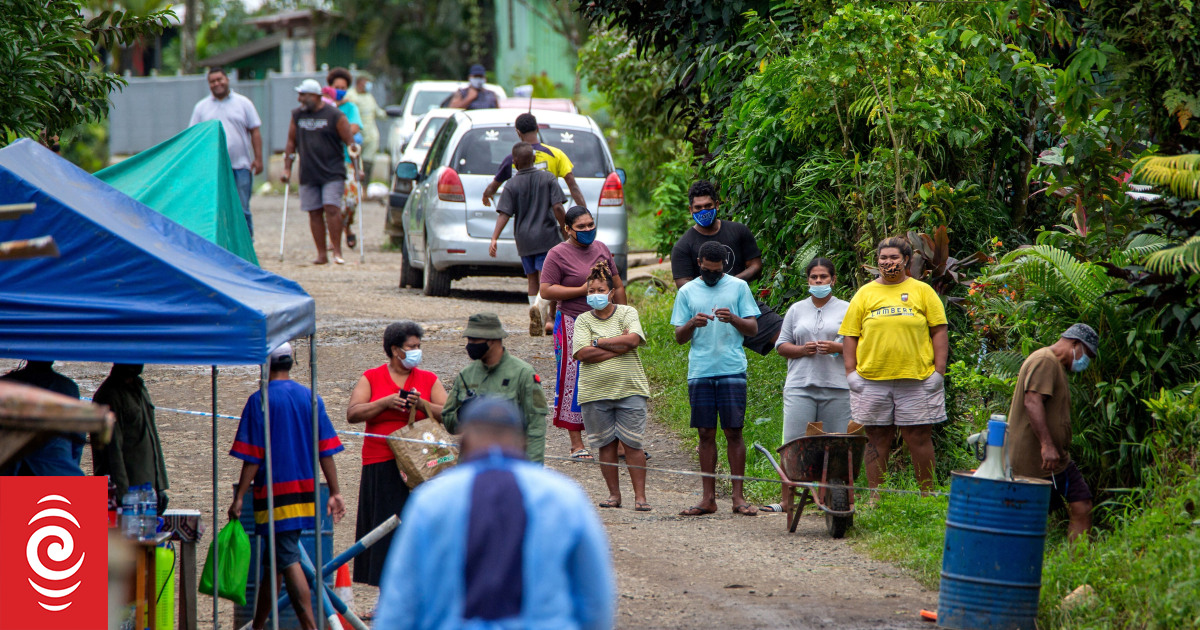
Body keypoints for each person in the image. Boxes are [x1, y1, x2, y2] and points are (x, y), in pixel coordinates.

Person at [373, 396, 614, 630]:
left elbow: (402, 596)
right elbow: (595, 597)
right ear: (524, 442)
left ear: (464, 444)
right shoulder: (564, 497)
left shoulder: (433, 500)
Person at [228, 343, 346, 630]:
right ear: (291, 362)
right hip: (304, 492)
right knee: (275, 560)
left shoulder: (260, 401)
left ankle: (309, 625)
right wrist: (335, 491)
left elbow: (253, 457)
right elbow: (325, 449)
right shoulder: (310, 397)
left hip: (273, 495)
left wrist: (240, 496)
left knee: (288, 556)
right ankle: (258, 625)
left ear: (265, 364)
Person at [839, 236, 948, 493]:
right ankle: (878, 496)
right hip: (871, 379)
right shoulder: (865, 293)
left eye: (894, 258)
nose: (888, 262)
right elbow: (850, 335)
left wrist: (939, 372)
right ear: (877, 260)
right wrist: (850, 373)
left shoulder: (923, 291)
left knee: (918, 437)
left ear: (906, 259)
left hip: (917, 378)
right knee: (876, 437)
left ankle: (927, 494)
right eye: (883, 258)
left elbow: (939, 331)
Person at [346, 321, 447, 595]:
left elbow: (451, 415)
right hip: (381, 461)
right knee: (385, 528)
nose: (416, 351)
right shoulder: (372, 377)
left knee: (421, 527)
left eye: (418, 346)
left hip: (423, 464)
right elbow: (353, 413)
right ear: (394, 350)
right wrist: (385, 403)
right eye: (411, 347)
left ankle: (421, 595)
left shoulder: (428, 379)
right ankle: (387, 598)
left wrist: (423, 404)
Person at [671, 241, 761, 516]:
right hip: (701, 370)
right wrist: (691, 324)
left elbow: (753, 328)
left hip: (732, 367)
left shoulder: (738, 287)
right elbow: (679, 337)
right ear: (699, 263)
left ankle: (738, 497)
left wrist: (733, 318)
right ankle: (708, 498)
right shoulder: (687, 291)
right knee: (705, 432)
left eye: (717, 271)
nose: (713, 275)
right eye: (708, 270)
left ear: (724, 266)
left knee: (734, 431)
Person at [540, 206, 627, 459]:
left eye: (591, 225)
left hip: (606, 320)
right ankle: (577, 443)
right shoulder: (557, 254)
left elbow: (617, 284)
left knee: (612, 375)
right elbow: (546, 291)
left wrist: (623, 316)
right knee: (573, 378)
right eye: (581, 227)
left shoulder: (600, 248)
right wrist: (582, 290)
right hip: (572, 322)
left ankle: (618, 441)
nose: (588, 230)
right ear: (568, 229)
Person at [671, 180, 784, 356]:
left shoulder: (738, 231)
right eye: (698, 207)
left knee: (785, 336)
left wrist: (731, 284)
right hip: (708, 313)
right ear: (690, 210)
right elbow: (683, 285)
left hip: (743, 304)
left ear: (717, 205)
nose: (703, 211)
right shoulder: (683, 246)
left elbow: (756, 265)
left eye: (708, 206)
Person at [1007, 323, 1098, 541]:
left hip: (1056, 459)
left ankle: (1075, 563)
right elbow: (1032, 401)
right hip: (1038, 458)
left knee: (1082, 504)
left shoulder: (1053, 364)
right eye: (1087, 354)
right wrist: (1047, 445)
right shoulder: (1045, 361)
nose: (1085, 361)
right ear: (1076, 344)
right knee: (1027, 517)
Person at [572, 260, 650, 511]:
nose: (595, 295)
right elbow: (583, 353)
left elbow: (633, 339)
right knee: (604, 445)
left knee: (633, 445)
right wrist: (619, 348)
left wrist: (599, 342)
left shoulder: (628, 313)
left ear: (612, 292)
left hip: (630, 388)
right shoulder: (583, 320)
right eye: (591, 291)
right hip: (594, 392)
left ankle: (641, 497)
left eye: (600, 290)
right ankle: (614, 495)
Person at [441, 313, 549, 464]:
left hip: (510, 464)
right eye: (468, 339)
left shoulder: (523, 374)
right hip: (473, 464)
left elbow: (535, 426)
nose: (469, 345)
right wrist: (462, 414)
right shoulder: (466, 375)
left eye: (474, 340)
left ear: (492, 340)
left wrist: (532, 469)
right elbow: (449, 423)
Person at [489, 141, 567, 336]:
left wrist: (494, 238)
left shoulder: (511, 184)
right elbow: (558, 207)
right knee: (549, 279)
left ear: (514, 163)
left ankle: (536, 315)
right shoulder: (548, 178)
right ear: (534, 159)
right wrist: (566, 231)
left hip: (523, 239)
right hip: (547, 237)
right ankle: (549, 318)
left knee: (532, 279)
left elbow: (504, 214)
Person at [281, 78, 357, 265]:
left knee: (331, 208)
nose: (299, 99)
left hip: (332, 171)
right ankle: (321, 254)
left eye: (303, 95)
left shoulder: (335, 115)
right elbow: (291, 142)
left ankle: (337, 252)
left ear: (314, 96)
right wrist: (287, 169)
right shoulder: (297, 115)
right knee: (314, 211)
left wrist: (357, 168)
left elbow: (350, 143)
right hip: (309, 171)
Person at [776, 258, 851, 441]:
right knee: (795, 444)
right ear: (808, 280)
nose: (818, 281)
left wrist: (838, 348)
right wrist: (802, 350)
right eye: (814, 277)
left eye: (823, 277)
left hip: (837, 387)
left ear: (833, 280)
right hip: (800, 386)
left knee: (836, 445)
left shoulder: (847, 309)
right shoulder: (796, 309)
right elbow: (781, 345)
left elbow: (860, 347)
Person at [189, 66, 263, 238]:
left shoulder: (244, 103)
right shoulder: (201, 108)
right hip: (213, 169)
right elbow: (194, 136)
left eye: (219, 79)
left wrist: (258, 159)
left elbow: (255, 131)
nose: (217, 84)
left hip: (240, 166)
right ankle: (222, 246)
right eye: (212, 81)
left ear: (227, 79)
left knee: (241, 208)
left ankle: (246, 246)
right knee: (216, 208)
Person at [92, 364, 169, 511]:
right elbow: (112, 450)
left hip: (146, 488)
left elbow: (152, 437)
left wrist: (160, 486)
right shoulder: (109, 396)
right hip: (127, 492)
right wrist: (122, 494)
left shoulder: (139, 387)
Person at [480, 112, 587, 209]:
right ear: (537, 128)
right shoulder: (557, 155)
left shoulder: (512, 159)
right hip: (550, 218)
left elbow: (493, 187)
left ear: (518, 132)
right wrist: (584, 213)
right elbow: (573, 186)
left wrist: (486, 195)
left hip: (523, 219)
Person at [0, 361, 85, 476]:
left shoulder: (6, 384)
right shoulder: (68, 387)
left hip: (11, 469)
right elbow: (78, 438)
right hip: (56, 469)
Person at [327, 68, 365, 251]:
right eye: (337, 87)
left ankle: (346, 226)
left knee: (351, 200)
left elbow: (355, 127)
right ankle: (335, 238)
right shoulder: (324, 106)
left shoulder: (351, 108)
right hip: (327, 160)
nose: (340, 89)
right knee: (331, 202)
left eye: (343, 87)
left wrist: (337, 131)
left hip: (348, 160)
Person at [348, 74, 387, 181]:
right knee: (355, 161)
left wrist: (388, 113)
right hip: (356, 135)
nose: (368, 85)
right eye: (366, 83)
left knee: (368, 162)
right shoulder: (351, 96)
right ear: (359, 83)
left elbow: (378, 112)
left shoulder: (369, 97)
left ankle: (365, 188)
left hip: (370, 135)